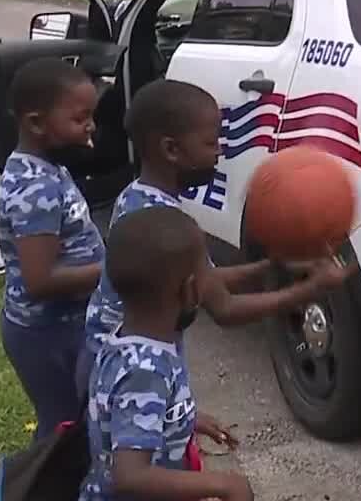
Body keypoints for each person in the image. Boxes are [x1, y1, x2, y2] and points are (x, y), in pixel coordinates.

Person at [76, 78, 357, 399]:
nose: (220, 151)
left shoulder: (136, 196)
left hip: (109, 359)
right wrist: (309, 289)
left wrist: (272, 265)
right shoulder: (166, 223)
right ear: (171, 149)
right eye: (211, 143)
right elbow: (224, 308)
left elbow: (203, 277)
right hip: (131, 379)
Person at [80, 204, 254, 501]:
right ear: (190, 290)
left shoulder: (124, 339)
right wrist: (222, 485)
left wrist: (187, 418)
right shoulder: (146, 370)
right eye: (207, 275)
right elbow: (130, 476)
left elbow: (124, 413)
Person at [0, 57, 106, 440]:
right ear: (37, 123)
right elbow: (40, 280)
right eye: (80, 119)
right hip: (47, 335)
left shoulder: (48, 169)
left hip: (65, 326)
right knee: (62, 429)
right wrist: (114, 269)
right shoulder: (36, 189)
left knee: (80, 418)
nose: (90, 126)